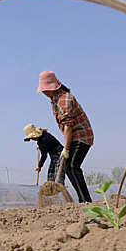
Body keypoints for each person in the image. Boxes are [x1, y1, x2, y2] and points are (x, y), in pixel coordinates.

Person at [36, 71, 94, 203]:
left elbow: (68, 126)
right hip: (75, 136)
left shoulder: (64, 99)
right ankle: (84, 199)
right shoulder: (55, 99)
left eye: (46, 89)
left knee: (72, 166)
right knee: (70, 166)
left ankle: (85, 201)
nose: (45, 93)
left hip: (81, 135)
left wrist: (66, 149)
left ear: (54, 86)